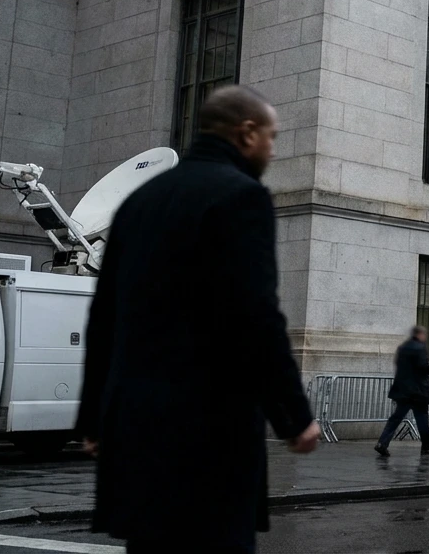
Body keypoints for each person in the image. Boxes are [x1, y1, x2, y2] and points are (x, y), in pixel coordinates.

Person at [75, 85, 321, 554]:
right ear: (246, 134)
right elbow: (254, 317)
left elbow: (103, 319)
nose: (272, 148)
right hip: (207, 434)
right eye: (271, 136)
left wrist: (94, 419)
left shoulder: (137, 203)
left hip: (135, 431)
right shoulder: (241, 197)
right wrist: (293, 416)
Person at [375, 325, 429, 457]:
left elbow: (400, 366)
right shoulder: (420, 348)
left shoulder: (402, 347)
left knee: (396, 418)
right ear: (420, 335)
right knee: (422, 420)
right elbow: (422, 367)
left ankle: (382, 443)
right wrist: (428, 369)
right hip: (418, 391)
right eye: (424, 335)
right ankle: (426, 447)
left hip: (403, 390)